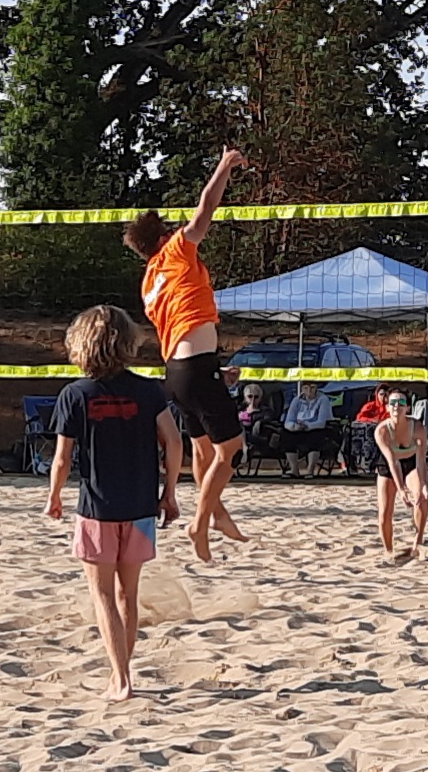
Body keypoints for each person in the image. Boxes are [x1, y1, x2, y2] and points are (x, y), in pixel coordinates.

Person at [43, 305, 183, 702]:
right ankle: (123, 672)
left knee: (102, 594)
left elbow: (62, 458)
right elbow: (173, 442)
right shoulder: (148, 390)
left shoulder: (74, 394)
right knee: (128, 595)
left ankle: (120, 677)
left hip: (97, 508)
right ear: (129, 342)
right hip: (140, 505)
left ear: (81, 344)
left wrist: (54, 496)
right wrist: (169, 492)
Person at [123, 146, 248, 562]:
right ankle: (201, 522)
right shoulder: (176, 251)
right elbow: (205, 208)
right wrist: (224, 166)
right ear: (162, 239)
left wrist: (214, 368)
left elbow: (182, 329)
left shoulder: (148, 282)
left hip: (177, 372)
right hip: (193, 369)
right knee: (232, 450)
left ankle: (217, 516)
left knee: (203, 451)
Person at [374, 388, 428, 559]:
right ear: (387, 408)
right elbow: (392, 462)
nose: (397, 406)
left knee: (422, 498)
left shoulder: (418, 428)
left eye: (401, 403)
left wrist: (424, 485)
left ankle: (417, 545)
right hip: (388, 467)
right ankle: (388, 551)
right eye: (393, 403)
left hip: (411, 463)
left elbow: (421, 461)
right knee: (385, 511)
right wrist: (401, 490)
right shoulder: (382, 431)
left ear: (408, 408)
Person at [281, 381, 334, 477]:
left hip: (315, 427)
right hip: (298, 428)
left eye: (312, 388)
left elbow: (322, 422)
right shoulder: (296, 400)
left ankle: (310, 470)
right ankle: (294, 470)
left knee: (315, 437)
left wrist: (307, 426)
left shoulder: (323, 399)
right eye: (306, 388)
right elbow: (288, 420)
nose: (309, 391)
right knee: (286, 436)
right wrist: (294, 427)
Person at [348, 384, 390, 472]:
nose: (383, 397)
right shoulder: (370, 405)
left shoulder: (391, 408)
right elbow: (359, 417)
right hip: (362, 433)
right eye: (381, 394)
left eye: (386, 395)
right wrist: (373, 420)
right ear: (377, 395)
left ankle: (371, 464)